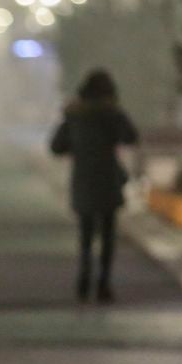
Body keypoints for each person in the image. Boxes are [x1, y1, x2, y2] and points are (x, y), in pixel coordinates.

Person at [50, 69, 139, 304]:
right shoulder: (112, 113)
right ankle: (104, 284)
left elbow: (56, 146)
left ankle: (83, 280)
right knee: (108, 235)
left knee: (86, 234)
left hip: (84, 180)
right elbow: (131, 136)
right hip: (107, 180)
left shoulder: (74, 114)